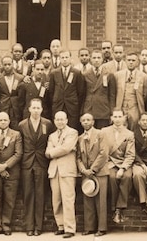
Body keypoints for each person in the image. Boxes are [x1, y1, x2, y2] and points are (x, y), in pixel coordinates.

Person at [17, 98, 55, 236]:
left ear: (42, 109)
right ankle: (29, 226)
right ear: (29, 109)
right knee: (28, 195)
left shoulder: (48, 124)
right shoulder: (22, 125)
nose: (36, 111)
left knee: (40, 194)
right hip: (27, 163)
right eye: (33, 108)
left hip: (41, 162)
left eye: (38, 108)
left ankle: (38, 227)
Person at [0, 112, 23, 236]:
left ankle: (6, 224)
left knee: (9, 199)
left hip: (11, 172)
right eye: (0, 120)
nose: (3, 122)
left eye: (5, 120)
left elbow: (18, 153)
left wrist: (5, 166)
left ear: (9, 121)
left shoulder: (16, 135)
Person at [46, 111, 79, 239]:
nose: (60, 122)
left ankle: (70, 228)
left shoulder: (73, 132)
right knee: (56, 200)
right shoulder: (52, 135)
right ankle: (60, 226)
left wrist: (54, 151)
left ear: (66, 120)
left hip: (67, 170)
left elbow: (66, 148)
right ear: (54, 121)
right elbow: (46, 152)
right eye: (58, 119)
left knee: (68, 199)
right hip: (54, 170)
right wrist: (57, 150)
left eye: (62, 119)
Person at [100, 109, 135, 224]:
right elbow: (102, 151)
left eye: (120, 116)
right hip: (109, 163)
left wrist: (123, 168)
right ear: (111, 118)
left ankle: (119, 208)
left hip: (123, 163)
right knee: (111, 178)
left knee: (127, 177)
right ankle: (114, 208)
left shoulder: (129, 134)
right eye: (115, 116)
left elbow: (130, 154)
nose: (118, 119)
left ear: (124, 118)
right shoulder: (104, 131)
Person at [76, 113, 109, 237]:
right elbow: (78, 157)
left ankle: (102, 228)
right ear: (81, 122)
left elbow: (103, 153)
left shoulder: (101, 134)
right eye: (83, 120)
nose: (86, 122)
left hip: (99, 172)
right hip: (86, 173)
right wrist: (83, 170)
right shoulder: (80, 138)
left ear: (93, 122)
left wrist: (93, 169)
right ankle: (89, 227)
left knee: (100, 200)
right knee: (87, 199)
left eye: (88, 120)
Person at [48, 49, 85, 132]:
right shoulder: (54, 73)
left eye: (66, 57)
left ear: (70, 58)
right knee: (57, 128)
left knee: (72, 129)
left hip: (72, 107)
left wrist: (75, 102)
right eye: (62, 57)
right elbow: (51, 91)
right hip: (58, 105)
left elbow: (81, 92)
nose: (64, 59)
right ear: (59, 59)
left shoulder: (77, 73)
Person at [82, 50, 116, 129]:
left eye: (98, 58)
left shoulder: (109, 75)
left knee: (103, 134)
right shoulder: (85, 74)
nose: (96, 60)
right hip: (89, 108)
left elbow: (112, 95)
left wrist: (112, 112)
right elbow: (82, 94)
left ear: (102, 59)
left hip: (104, 109)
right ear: (90, 59)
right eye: (94, 58)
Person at [115, 52, 147, 130]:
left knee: (135, 128)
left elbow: (145, 95)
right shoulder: (117, 75)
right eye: (129, 60)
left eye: (133, 60)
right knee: (120, 128)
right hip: (121, 107)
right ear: (125, 61)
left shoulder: (143, 76)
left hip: (135, 107)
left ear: (137, 62)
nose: (131, 62)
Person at [0, 56, 24, 128]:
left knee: (16, 129)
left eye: (9, 64)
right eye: (5, 65)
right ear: (2, 65)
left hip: (16, 109)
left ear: (12, 64)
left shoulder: (20, 78)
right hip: (3, 107)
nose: (7, 66)